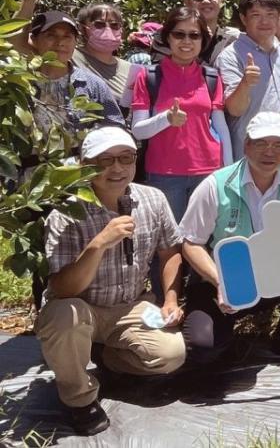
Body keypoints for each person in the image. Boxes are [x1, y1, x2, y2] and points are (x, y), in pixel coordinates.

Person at [36, 126, 185, 435]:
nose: (116, 168)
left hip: (130, 305)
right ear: (85, 165)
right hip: (81, 307)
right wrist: (99, 244)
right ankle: (79, 399)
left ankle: (105, 357)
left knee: (171, 356)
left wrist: (170, 299)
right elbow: (63, 289)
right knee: (63, 317)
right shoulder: (65, 213)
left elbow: (170, 251)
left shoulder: (153, 199)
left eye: (125, 158)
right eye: (104, 161)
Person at [180, 112, 280, 364]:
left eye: (279, 145)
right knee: (202, 347)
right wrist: (222, 283)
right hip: (223, 278)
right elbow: (191, 242)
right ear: (246, 145)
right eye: (261, 143)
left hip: (275, 274)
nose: (269, 152)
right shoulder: (214, 185)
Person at [130, 7, 231, 222]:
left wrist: (228, 170)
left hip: (208, 170)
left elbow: (221, 127)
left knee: (204, 240)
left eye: (194, 35)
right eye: (179, 34)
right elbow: (138, 132)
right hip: (164, 172)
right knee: (169, 243)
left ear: (204, 40)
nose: (187, 41)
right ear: (167, 37)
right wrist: (166, 119)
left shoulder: (211, 77)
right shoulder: (149, 76)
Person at [23, 10, 123, 170]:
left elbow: (114, 129)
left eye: (67, 36)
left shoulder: (92, 84)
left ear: (76, 42)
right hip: (25, 182)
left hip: (76, 176)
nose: (60, 42)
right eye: (51, 35)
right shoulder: (19, 82)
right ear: (33, 39)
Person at [216, 0, 280, 162]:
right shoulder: (230, 56)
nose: (265, 21)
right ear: (244, 19)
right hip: (246, 150)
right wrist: (245, 83)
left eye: (270, 14)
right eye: (256, 15)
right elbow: (235, 109)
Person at [72, 2, 143, 111]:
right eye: (99, 24)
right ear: (82, 28)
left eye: (114, 25)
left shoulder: (131, 70)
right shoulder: (70, 57)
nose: (108, 30)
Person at [180, 0, 239, 65]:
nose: (206, 1)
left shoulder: (234, 41)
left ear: (221, 0)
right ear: (186, 2)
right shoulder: (171, 37)